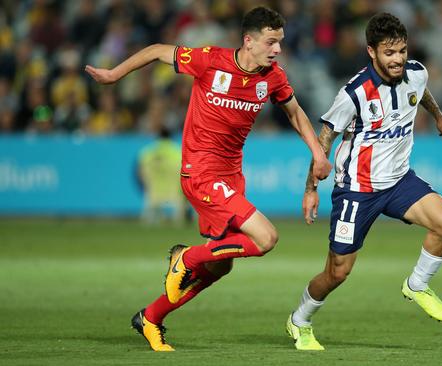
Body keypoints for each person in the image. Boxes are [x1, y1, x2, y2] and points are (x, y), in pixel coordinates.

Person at [86, 6, 331, 352]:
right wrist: (114, 75)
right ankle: (186, 258)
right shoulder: (209, 60)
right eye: (271, 42)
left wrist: (318, 153)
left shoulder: (272, 77)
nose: (277, 50)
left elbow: (294, 111)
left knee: (220, 267)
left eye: (280, 43)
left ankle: (151, 318)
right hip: (200, 171)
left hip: (232, 175)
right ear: (249, 40)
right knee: (265, 238)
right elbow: (157, 50)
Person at [286, 12, 442, 351]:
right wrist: (310, 189)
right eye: (389, 53)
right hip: (356, 190)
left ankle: (417, 283)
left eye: (402, 51)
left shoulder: (416, 73)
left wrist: (438, 116)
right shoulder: (353, 93)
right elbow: (325, 138)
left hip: (398, 182)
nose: (398, 60)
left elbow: (421, 91)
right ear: (371, 52)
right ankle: (300, 320)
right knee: (337, 273)